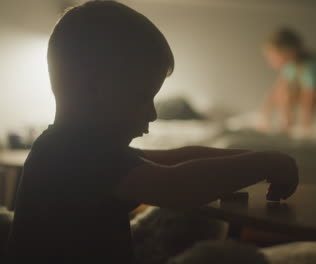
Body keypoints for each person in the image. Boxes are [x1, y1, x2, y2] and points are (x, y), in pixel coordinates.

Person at [6, 1, 298, 263]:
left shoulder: (76, 147)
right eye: (142, 97)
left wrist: (257, 158)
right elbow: (178, 186)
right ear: (93, 89)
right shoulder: (74, 155)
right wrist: (266, 163)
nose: (153, 113)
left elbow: (175, 158)